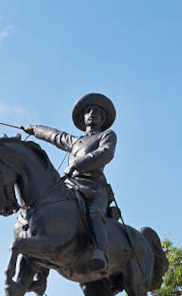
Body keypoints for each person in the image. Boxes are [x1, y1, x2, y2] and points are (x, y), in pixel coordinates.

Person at [22, 93, 117, 273]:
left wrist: (78, 164)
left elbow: (106, 153)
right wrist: (35, 129)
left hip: (94, 186)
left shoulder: (107, 135)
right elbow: (56, 136)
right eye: (88, 111)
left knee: (94, 212)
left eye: (96, 111)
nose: (91, 114)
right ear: (83, 117)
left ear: (103, 118)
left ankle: (100, 252)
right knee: (49, 211)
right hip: (71, 186)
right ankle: (40, 271)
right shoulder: (76, 141)